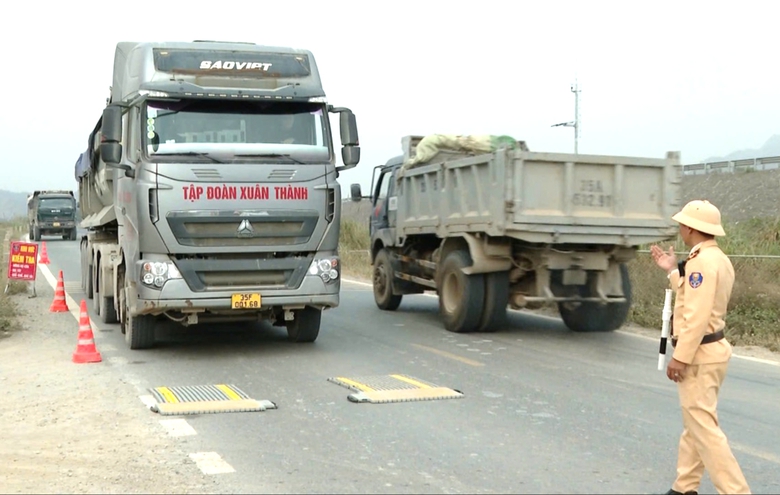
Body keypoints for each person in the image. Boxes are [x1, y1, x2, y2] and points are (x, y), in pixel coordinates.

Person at [650, 199, 750, 495]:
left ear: (691, 228)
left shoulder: (701, 264)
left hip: (699, 353)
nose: (680, 228)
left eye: (682, 224)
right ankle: (684, 487)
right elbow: (694, 296)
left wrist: (679, 358)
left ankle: (736, 491)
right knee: (696, 422)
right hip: (712, 350)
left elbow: (696, 315)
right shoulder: (715, 259)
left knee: (704, 430)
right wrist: (672, 269)